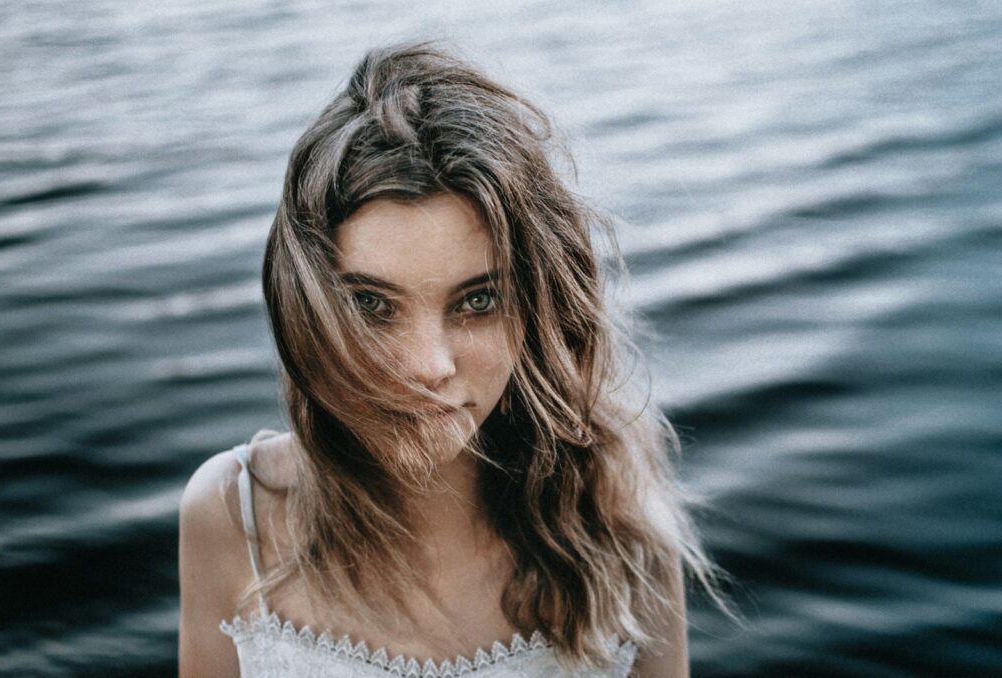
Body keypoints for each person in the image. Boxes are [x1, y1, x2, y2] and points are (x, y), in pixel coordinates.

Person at [178, 41, 727, 677]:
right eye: (373, 306)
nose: (429, 366)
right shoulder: (231, 518)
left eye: (478, 299)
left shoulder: (621, 535)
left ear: (535, 306)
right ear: (308, 308)